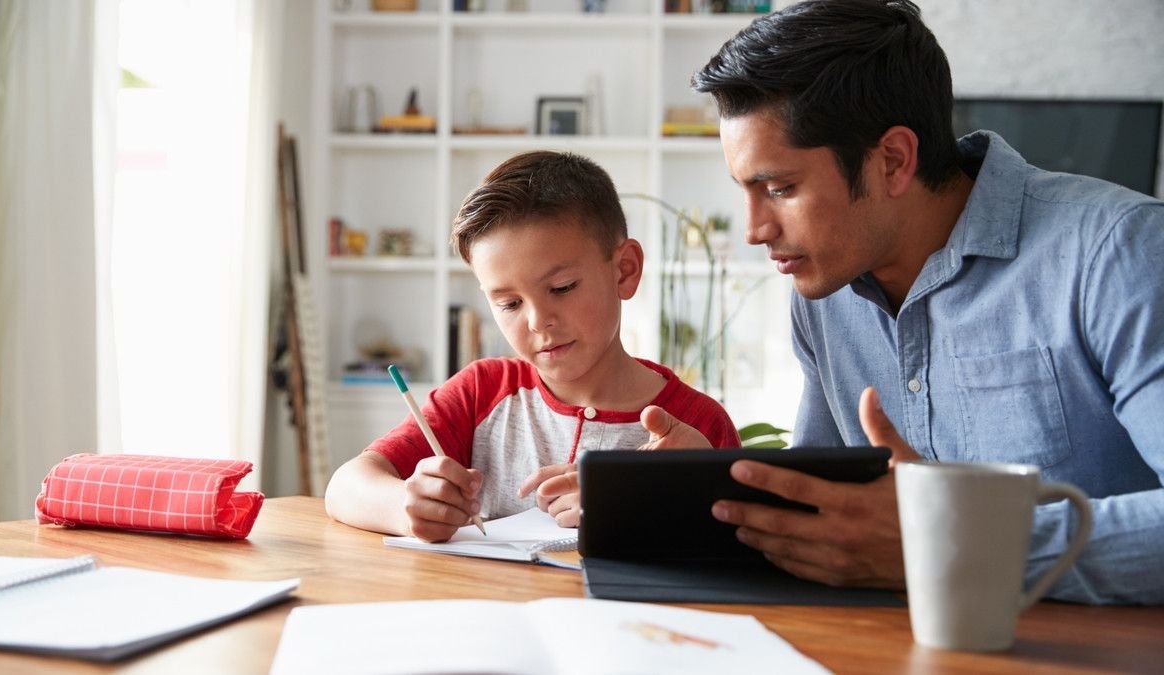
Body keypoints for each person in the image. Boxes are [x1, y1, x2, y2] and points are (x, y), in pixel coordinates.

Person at [615, 0, 1164, 605]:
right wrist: (714, 489)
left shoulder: (1119, 251)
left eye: (779, 189)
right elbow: (827, 509)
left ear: (893, 161)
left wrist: (952, 543)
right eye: (746, 191)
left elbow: (913, 543)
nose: (754, 230)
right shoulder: (823, 293)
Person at [324, 151, 741, 542]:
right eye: (509, 303)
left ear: (625, 270)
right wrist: (406, 506)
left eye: (562, 287)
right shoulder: (481, 393)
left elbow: (735, 550)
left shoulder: (696, 424)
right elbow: (346, 486)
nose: (539, 321)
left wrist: (657, 504)